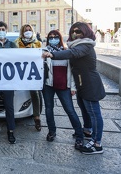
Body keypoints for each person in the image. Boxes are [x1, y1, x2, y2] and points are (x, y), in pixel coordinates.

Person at [42, 22, 106, 155]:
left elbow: (72, 54)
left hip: (89, 84)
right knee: (85, 110)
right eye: (73, 31)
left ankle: (97, 144)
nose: (75, 34)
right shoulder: (78, 44)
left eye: (78, 31)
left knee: (94, 113)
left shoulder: (85, 45)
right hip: (81, 84)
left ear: (85, 32)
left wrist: (52, 55)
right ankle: (87, 130)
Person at [42, 30, 84, 150]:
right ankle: (51, 131)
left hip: (64, 86)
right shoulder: (44, 51)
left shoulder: (67, 52)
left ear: (60, 38)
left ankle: (79, 135)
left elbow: (72, 71)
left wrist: (73, 87)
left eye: (55, 37)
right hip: (48, 85)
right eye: (50, 37)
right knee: (49, 109)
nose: (53, 38)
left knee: (70, 110)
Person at [15, 24, 43, 131]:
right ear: (22, 32)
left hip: (32, 72)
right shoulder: (16, 43)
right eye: (25, 30)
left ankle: (37, 117)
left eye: (29, 30)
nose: (27, 32)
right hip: (19, 71)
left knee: (35, 93)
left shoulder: (37, 43)